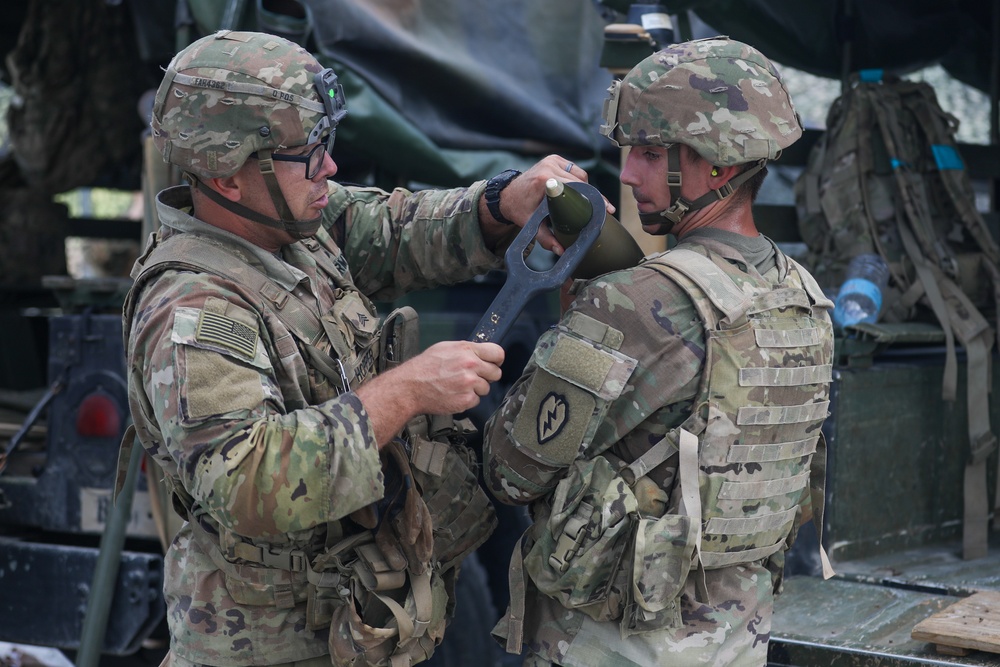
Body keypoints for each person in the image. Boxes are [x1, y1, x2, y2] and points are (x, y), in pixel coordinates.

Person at [122, 30, 598, 667]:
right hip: (268, 645)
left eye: (327, 145)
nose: (330, 169)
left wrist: (499, 207)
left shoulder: (287, 223)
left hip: (354, 620)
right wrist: (406, 391)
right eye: (307, 153)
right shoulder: (196, 308)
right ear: (228, 176)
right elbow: (246, 479)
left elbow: (392, 230)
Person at [483, 37, 835, 666]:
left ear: (719, 166)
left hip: (616, 641)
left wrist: (585, 307)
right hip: (735, 639)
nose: (627, 174)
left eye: (649, 154)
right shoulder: (802, 294)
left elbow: (512, 471)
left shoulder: (639, 300)